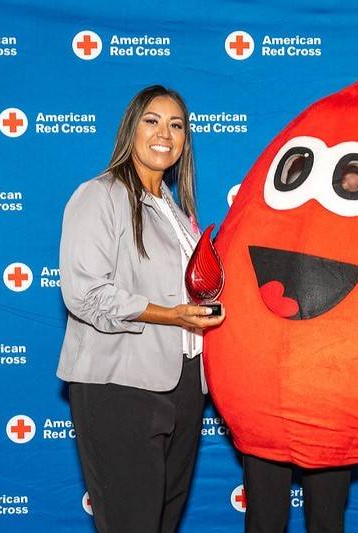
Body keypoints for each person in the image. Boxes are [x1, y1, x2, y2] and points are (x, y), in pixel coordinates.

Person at [57, 85, 225, 533]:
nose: (164, 133)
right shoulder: (99, 196)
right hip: (120, 386)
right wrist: (171, 315)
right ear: (131, 128)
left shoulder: (176, 210)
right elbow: (85, 293)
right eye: (152, 120)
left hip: (185, 385)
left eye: (176, 125)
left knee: (162, 524)